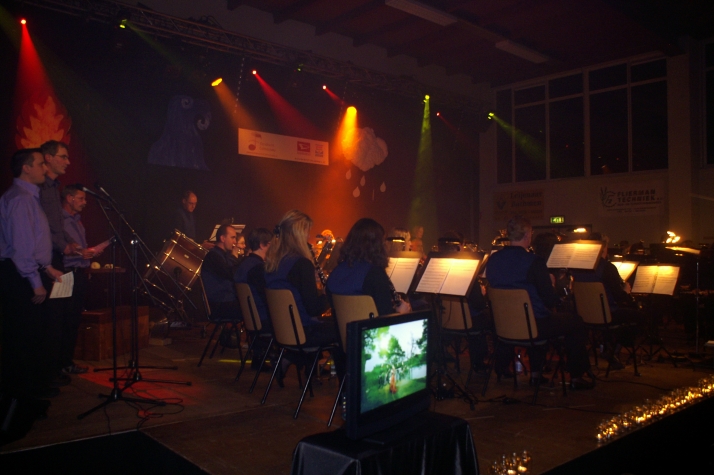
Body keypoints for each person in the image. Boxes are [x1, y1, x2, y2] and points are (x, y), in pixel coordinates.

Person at [486, 215, 594, 389]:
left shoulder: (493, 260)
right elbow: (549, 300)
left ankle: (535, 374)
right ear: (528, 235)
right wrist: (553, 285)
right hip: (532, 326)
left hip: (503, 326)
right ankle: (576, 377)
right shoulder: (534, 261)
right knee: (574, 321)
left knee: (536, 315)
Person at [0, 148, 64, 405]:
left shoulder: (27, 197)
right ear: (26, 168)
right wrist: (35, 282)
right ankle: (23, 396)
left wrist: (46, 267)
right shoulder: (20, 199)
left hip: (26, 272)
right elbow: (21, 247)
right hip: (20, 277)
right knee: (24, 337)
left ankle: (29, 390)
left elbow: (32, 241)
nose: (45, 169)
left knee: (32, 335)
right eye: (39, 164)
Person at [264, 210, 337, 348]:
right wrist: (328, 293)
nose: (308, 236)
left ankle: (294, 357)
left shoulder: (272, 263)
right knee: (347, 327)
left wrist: (309, 280)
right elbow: (314, 309)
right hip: (303, 331)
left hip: (281, 331)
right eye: (307, 232)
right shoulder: (302, 264)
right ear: (298, 235)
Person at [39, 140, 77, 389]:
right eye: (63, 157)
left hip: (57, 257)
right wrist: (62, 245)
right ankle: (44, 374)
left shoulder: (54, 187)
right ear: (48, 158)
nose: (68, 162)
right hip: (45, 259)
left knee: (59, 318)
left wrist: (69, 243)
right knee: (49, 320)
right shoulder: (39, 188)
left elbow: (57, 225)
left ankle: (54, 368)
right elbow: (42, 227)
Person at [326, 218, 411, 316]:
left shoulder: (336, 272)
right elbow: (385, 316)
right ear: (377, 246)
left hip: (345, 326)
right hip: (371, 326)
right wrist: (400, 312)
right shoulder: (375, 274)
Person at [59, 185, 99, 375]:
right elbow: (58, 247)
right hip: (66, 274)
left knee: (74, 319)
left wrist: (89, 253)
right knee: (64, 320)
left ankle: (67, 361)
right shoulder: (59, 220)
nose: (84, 202)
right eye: (81, 198)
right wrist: (79, 253)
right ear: (69, 198)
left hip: (79, 273)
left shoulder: (77, 220)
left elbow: (79, 249)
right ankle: (59, 363)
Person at [234, 227, 273, 369]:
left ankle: (262, 355)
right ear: (262, 245)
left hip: (251, 320)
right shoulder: (258, 268)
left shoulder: (244, 264)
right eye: (271, 244)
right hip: (262, 320)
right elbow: (267, 297)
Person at [201, 224, 241, 322]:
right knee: (254, 307)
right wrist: (236, 258)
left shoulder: (224, 255)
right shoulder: (213, 256)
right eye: (232, 238)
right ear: (223, 238)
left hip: (227, 301)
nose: (235, 242)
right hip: (220, 304)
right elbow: (230, 274)